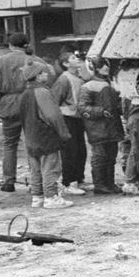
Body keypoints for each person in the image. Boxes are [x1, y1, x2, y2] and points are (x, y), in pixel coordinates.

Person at [18, 63, 73, 209]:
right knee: (50, 167)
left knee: (35, 169)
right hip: (46, 136)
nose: (47, 75)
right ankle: (51, 197)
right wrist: (64, 133)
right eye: (44, 73)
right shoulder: (42, 92)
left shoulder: (24, 94)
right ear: (37, 75)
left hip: (31, 136)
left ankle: (37, 197)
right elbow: (53, 116)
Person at [0, 32, 38, 192]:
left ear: (10, 45)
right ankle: (36, 181)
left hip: (8, 104)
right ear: (26, 44)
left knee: (10, 144)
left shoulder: (0, 61)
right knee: (32, 143)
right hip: (30, 102)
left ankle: (8, 181)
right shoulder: (34, 60)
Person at [77, 59, 124, 195]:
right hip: (98, 128)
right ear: (95, 68)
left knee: (111, 157)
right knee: (100, 156)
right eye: (102, 65)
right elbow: (82, 108)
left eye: (106, 65)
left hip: (110, 126)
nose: (105, 67)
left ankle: (109, 183)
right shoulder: (88, 86)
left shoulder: (108, 83)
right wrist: (101, 111)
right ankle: (100, 184)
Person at [50, 51, 87, 196]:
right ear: (65, 64)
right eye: (72, 58)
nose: (76, 59)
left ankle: (78, 179)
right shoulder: (64, 79)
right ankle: (68, 182)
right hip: (68, 118)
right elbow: (55, 100)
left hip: (78, 117)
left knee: (81, 150)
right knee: (70, 151)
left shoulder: (79, 77)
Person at [119, 94, 139, 195]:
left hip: (132, 120)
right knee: (136, 150)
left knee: (132, 149)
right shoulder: (134, 95)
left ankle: (131, 181)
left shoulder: (126, 94)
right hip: (136, 120)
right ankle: (130, 182)